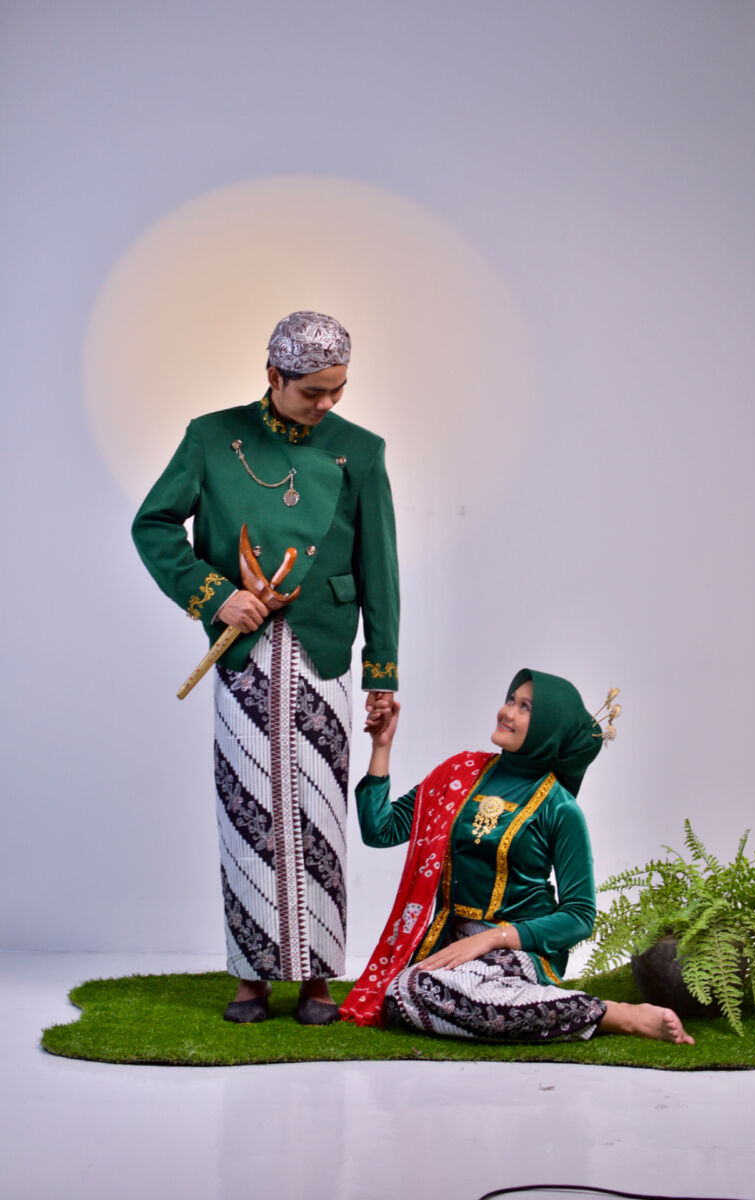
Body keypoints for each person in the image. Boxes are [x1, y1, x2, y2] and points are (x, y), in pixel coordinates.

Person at [132, 311, 399, 1025]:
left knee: (321, 812)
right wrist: (214, 595)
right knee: (245, 806)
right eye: (313, 391)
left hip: (326, 648)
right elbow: (153, 524)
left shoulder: (362, 450)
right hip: (244, 651)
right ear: (274, 375)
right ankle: (251, 976)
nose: (327, 404)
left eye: (338, 390)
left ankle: (317, 979)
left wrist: (382, 673)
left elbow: (380, 566)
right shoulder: (210, 437)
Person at [340, 669, 694, 1045]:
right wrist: (381, 746)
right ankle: (536, 1005)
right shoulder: (460, 772)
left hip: (520, 948)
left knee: (426, 990)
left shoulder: (559, 807)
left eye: (525, 707)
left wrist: (493, 940)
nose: (507, 712)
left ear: (548, 729)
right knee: (402, 991)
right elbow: (381, 830)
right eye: (511, 700)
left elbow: (579, 916)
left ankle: (614, 1015)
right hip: (449, 944)